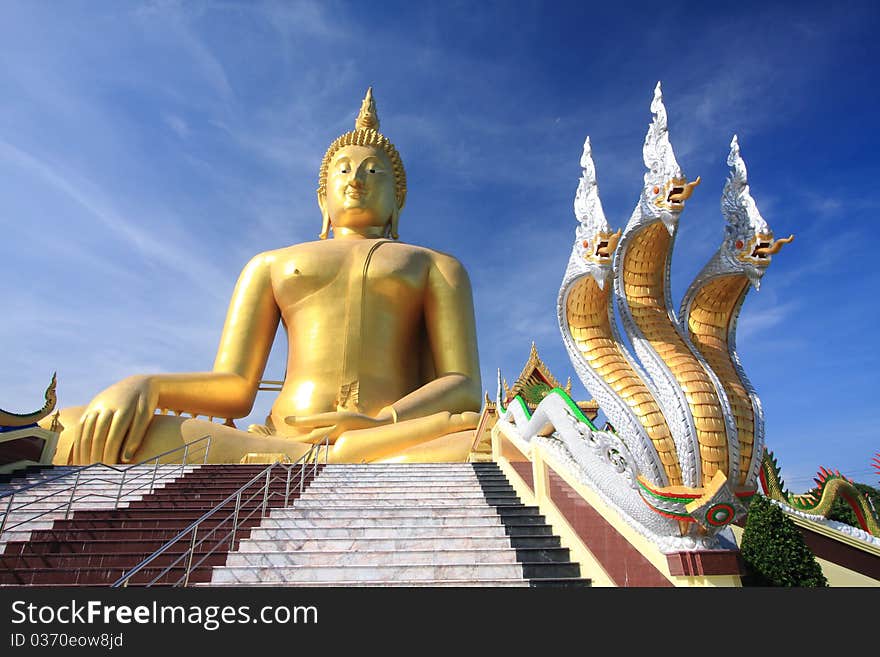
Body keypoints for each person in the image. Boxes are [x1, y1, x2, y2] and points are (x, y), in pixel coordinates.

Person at [50, 88, 482, 464]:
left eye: (374, 171)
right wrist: (146, 385)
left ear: (397, 201)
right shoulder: (270, 263)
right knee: (72, 426)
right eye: (343, 169)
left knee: (492, 440)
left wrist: (380, 421)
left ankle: (346, 453)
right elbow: (235, 389)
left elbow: (462, 386)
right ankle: (325, 457)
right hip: (284, 436)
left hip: (392, 430)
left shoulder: (436, 265)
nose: (356, 180)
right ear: (321, 198)